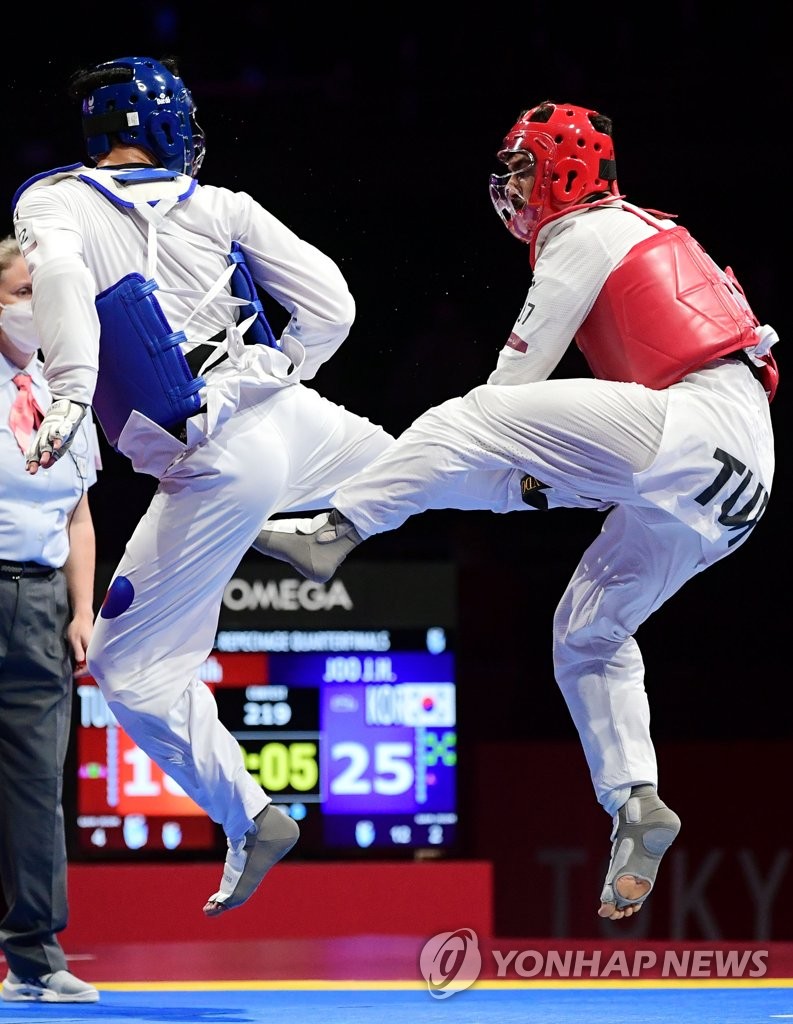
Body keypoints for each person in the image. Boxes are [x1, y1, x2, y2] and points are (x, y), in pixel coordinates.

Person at [251, 101, 779, 921]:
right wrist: (510, 481)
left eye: (522, 167)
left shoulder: (584, 233)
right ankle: (635, 801)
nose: (509, 186)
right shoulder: (646, 230)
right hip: (736, 479)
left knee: (470, 418)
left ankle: (335, 529)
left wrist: (467, 460)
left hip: (693, 423)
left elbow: (513, 388)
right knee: (587, 632)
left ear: (568, 168)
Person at [12, 55, 397, 917]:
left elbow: (67, 281)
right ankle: (561, 479)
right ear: (151, 123)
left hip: (214, 466)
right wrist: (266, 373)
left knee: (129, 669)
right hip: (295, 415)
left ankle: (250, 815)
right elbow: (332, 306)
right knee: (426, 468)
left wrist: (74, 388)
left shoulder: (50, 199)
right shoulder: (224, 204)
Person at [0, 236, 100, 1002]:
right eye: (20, 291)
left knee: (36, 782)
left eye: (44, 292)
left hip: (38, 604)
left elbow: (79, 513)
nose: (36, 306)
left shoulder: (66, 391)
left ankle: (35, 957)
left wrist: (81, 606)